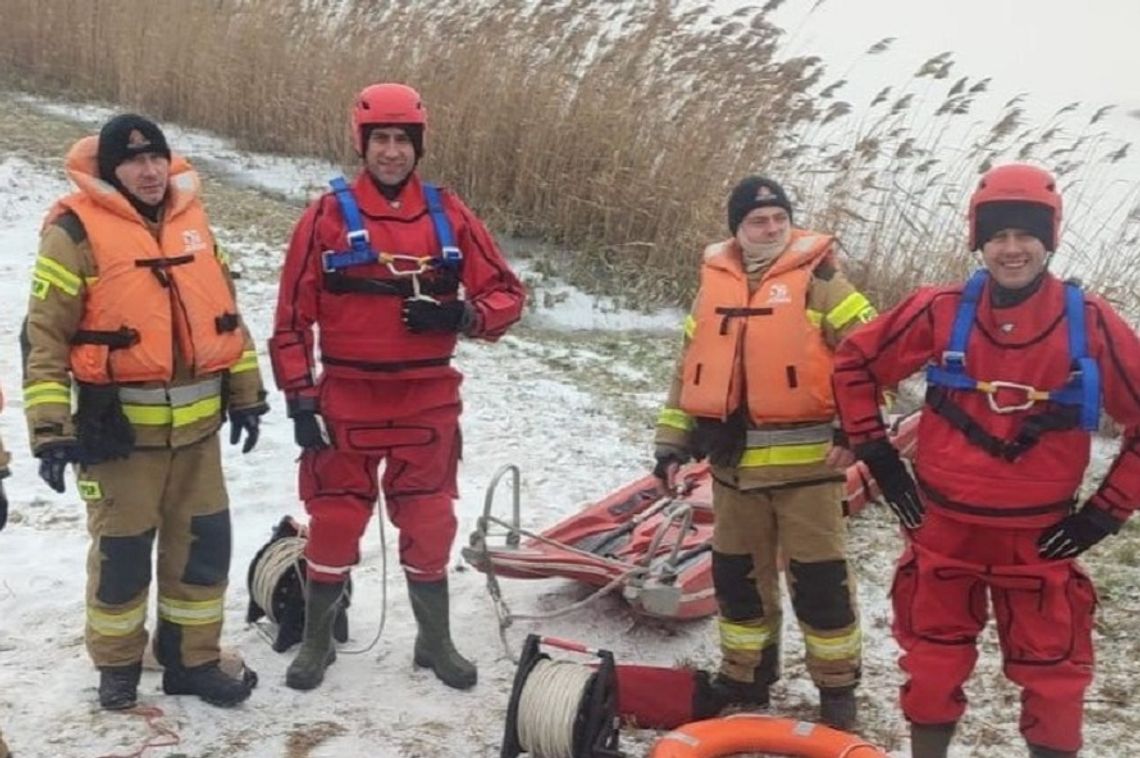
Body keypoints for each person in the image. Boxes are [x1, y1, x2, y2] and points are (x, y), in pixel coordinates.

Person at [832, 163, 1140, 758]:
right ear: (979, 240)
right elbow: (855, 363)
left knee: (1055, 673)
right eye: (997, 235)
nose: (1012, 248)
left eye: (1027, 234)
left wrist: (1105, 513)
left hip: (1041, 538)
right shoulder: (941, 311)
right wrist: (878, 455)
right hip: (942, 532)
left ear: (1049, 239)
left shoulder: (1093, 324)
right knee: (931, 663)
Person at [269, 82, 525, 692]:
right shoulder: (325, 215)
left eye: (402, 140)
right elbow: (289, 320)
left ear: (418, 146)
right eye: (380, 139)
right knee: (332, 522)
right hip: (347, 401)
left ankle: (434, 642)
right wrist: (301, 398)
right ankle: (315, 641)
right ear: (363, 144)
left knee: (431, 521)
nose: (391, 151)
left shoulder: (450, 213)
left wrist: (462, 316)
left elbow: (508, 296)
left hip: (426, 401)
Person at [22, 114, 266, 710]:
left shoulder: (194, 224)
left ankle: (193, 662)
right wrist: (51, 432)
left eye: (157, 157)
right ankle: (118, 667)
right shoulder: (74, 234)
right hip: (118, 438)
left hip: (198, 438)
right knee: (122, 560)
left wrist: (247, 394)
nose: (150, 170)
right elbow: (43, 340)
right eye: (134, 161)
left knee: (202, 555)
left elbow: (226, 316)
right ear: (110, 171)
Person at [652, 176, 878, 729]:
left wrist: (857, 431)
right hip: (734, 476)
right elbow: (687, 374)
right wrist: (671, 444)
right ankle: (746, 677)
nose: (771, 228)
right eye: (758, 220)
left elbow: (875, 357)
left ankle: (837, 691)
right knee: (737, 580)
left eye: (780, 218)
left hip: (809, 474)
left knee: (821, 584)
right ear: (737, 229)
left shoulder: (824, 284)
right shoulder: (712, 292)